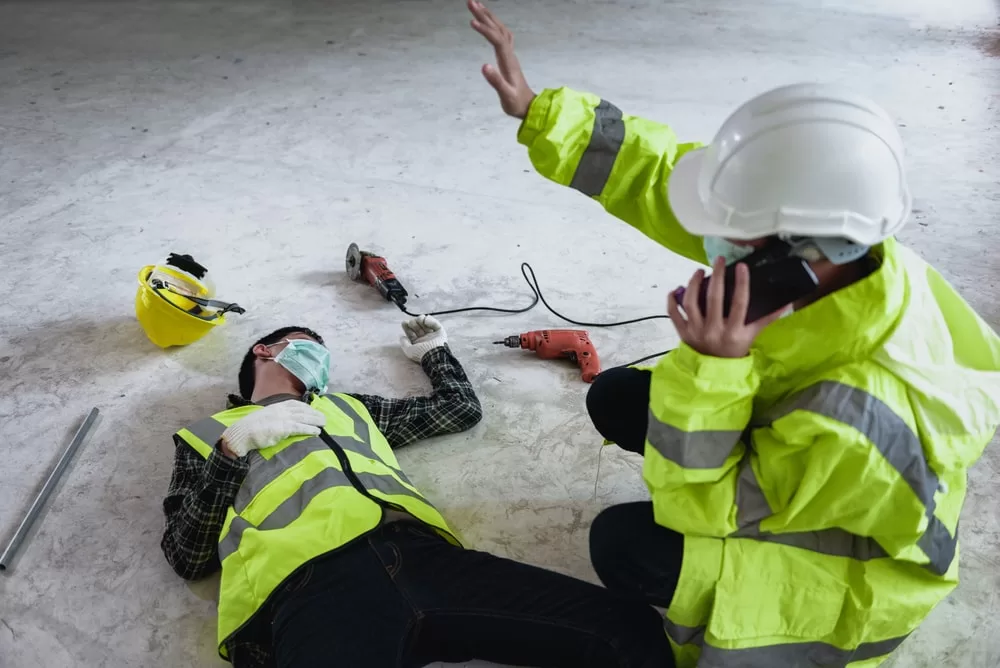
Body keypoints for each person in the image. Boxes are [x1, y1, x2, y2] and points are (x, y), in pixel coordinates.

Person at [468, 1, 1000, 666]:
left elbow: (702, 506)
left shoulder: (861, 415)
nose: (714, 244)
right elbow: (667, 181)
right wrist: (542, 113)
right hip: (807, 449)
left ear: (796, 250)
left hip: (848, 579)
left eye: (734, 235)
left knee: (625, 545)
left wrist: (713, 365)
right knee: (617, 398)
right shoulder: (845, 253)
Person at [160, 314, 674, 668]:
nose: (319, 357)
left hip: (424, 560)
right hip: (307, 591)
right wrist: (232, 450)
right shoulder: (207, 436)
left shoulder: (346, 407)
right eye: (306, 343)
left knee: (628, 631)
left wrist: (435, 353)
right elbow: (187, 553)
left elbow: (457, 410)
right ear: (265, 350)